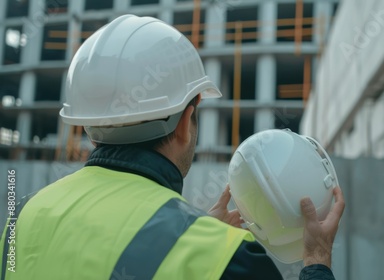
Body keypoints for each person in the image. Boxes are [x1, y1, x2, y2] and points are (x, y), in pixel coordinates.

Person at [0, 15, 345, 280]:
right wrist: (316, 260)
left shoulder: (23, 217)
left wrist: (193, 232)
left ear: (91, 130)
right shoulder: (230, 261)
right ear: (184, 123)